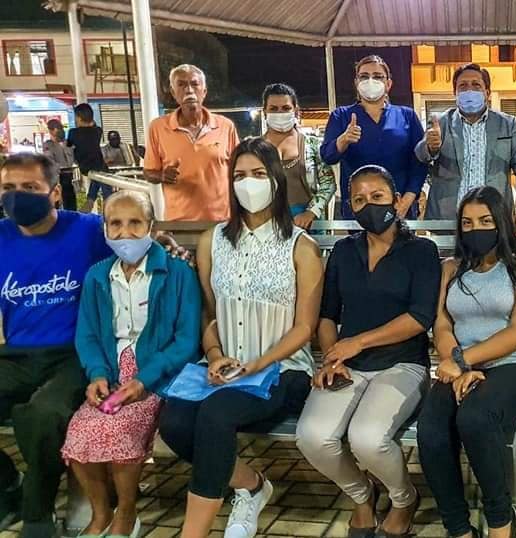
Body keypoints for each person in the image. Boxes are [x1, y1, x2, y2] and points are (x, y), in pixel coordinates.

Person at [157, 138, 323, 538]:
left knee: (216, 416)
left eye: (259, 174)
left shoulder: (301, 247)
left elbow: (305, 327)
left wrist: (257, 364)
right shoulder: (213, 240)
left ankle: (193, 533)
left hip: (282, 368)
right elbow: (209, 312)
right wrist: (215, 354)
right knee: (175, 422)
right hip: (225, 366)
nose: (249, 183)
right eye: (240, 175)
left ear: (276, 180)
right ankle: (251, 486)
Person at [296, 165, 440, 538]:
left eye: (377, 196)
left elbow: (420, 317)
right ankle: (362, 494)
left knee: (368, 438)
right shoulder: (344, 252)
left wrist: (357, 342)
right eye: (359, 200)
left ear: (396, 200)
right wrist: (332, 357)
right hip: (348, 363)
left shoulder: (420, 251)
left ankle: (404, 499)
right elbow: (328, 314)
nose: (369, 205)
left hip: (403, 363)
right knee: (312, 436)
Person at [64, 190, 201, 538]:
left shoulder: (177, 273)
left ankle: (126, 513)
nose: (125, 233)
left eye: (135, 223)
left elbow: (186, 340)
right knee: (78, 432)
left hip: (159, 375)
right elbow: (87, 335)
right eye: (116, 224)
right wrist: (97, 374)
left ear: (151, 227)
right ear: (105, 230)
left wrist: (143, 380)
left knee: (120, 429)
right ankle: (101, 513)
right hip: (112, 374)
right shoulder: (98, 276)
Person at [417, 186, 516, 538]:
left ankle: (501, 521)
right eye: (468, 222)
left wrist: (463, 360)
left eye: (486, 221)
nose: (476, 229)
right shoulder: (450, 268)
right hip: (460, 365)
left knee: (474, 417)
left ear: (501, 222)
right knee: (432, 428)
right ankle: (458, 528)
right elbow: (442, 324)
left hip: (515, 364)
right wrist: (456, 361)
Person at [0, 152, 110, 537]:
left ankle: (37, 514)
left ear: (56, 192)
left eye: (30, 187)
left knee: (42, 415)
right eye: (8, 187)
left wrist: (164, 242)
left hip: (75, 355)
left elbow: (135, 242)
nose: (18, 196)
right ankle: (7, 485)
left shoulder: (89, 231)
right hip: (17, 354)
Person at [414, 64, 516, 232]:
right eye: (463, 86)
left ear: (487, 92)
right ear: (455, 92)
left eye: (476, 85)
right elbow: (420, 155)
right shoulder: (440, 122)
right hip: (449, 219)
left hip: (494, 218)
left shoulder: (508, 124)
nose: (469, 90)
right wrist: (430, 147)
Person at [320, 55, 427, 219]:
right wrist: (344, 140)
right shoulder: (341, 116)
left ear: (388, 84)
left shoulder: (407, 116)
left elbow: (419, 163)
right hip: (358, 207)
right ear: (356, 83)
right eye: (364, 76)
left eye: (377, 76)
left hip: (399, 206)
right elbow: (328, 156)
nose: (370, 81)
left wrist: (408, 200)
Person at [143, 64, 240, 222]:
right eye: (181, 85)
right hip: (178, 223)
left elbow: (239, 169)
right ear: (173, 92)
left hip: (222, 222)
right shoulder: (158, 127)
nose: (189, 90)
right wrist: (162, 175)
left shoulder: (226, 126)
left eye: (195, 84)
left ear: (204, 91)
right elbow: (148, 172)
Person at [260, 83, 337, 228]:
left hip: (309, 225)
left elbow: (328, 183)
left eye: (286, 108)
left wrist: (310, 213)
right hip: (267, 224)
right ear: (265, 112)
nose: (280, 113)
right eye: (273, 109)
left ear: (295, 111)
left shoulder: (312, 144)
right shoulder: (254, 149)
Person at [68, 103, 113, 213]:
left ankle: (91, 200)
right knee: (103, 173)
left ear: (78, 118)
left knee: (99, 174)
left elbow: (68, 144)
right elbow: (94, 125)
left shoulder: (73, 133)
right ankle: (107, 201)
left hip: (85, 166)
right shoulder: (98, 131)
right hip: (98, 164)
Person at [42, 118, 77, 211]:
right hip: (56, 176)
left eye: (60, 128)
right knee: (56, 201)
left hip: (68, 175)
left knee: (70, 200)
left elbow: (72, 159)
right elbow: (49, 160)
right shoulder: (48, 145)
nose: (60, 130)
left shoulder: (68, 142)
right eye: (56, 128)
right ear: (51, 131)